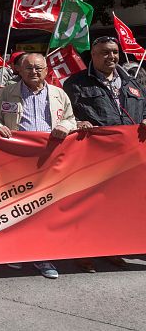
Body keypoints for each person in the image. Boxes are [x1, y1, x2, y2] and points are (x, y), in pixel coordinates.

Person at [0, 53, 77, 279]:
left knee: (45, 209)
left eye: (38, 68)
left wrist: (66, 126)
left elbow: (71, 118)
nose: (34, 72)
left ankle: (43, 255)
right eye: (28, 68)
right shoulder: (7, 92)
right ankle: (18, 250)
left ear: (47, 70)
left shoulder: (58, 93)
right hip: (18, 159)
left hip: (50, 159)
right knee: (19, 208)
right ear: (20, 70)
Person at [63, 36, 146, 273]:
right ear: (93, 55)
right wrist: (77, 122)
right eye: (105, 53)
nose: (111, 57)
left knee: (118, 205)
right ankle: (84, 252)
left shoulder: (132, 80)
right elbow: (66, 113)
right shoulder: (76, 82)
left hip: (129, 156)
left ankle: (111, 248)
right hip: (93, 155)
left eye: (114, 52)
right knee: (89, 205)